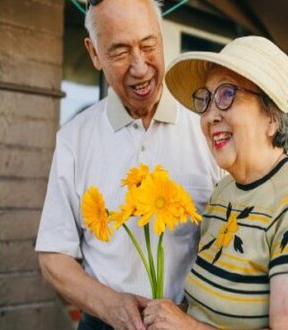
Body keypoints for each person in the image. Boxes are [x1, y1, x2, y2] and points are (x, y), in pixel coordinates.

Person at [34, 1, 220, 329]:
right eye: (120, 52)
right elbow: (53, 256)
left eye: (148, 46)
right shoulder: (73, 140)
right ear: (94, 53)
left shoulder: (208, 126)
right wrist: (110, 305)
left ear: (162, 38)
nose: (139, 68)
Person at [142, 36, 288, 329]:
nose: (210, 115)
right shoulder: (224, 191)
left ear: (271, 116)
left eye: (226, 95)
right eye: (206, 99)